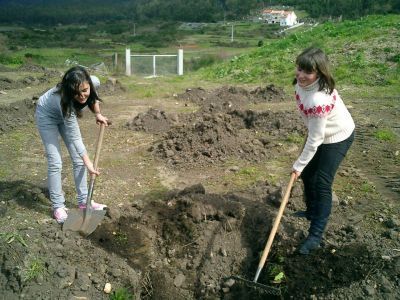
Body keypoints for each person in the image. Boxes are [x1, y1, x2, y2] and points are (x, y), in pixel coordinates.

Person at [291, 47, 355, 254]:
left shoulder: (319, 99)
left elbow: (316, 139)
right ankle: (311, 211)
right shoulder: (302, 86)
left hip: (338, 136)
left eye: (307, 72)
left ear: (319, 73)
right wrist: (303, 166)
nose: (300, 75)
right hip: (319, 133)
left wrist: (298, 164)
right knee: (308, 174)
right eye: (299, 69)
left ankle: (315, 235)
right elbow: (313, 129)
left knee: (322, 182)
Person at [35, 66, 109, 224]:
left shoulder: (91, 83)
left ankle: (84, 202)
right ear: (69, 91)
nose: (82, 96)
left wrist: (97, 113)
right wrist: (89, 164)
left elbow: (93, 97)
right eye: (76, 93)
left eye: (85, 90)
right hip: (47, 115)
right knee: (55, 161)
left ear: (89, 84)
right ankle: (58, 207)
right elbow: (76, 138)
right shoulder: (63, 100)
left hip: (61, 113)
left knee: (78, 158)